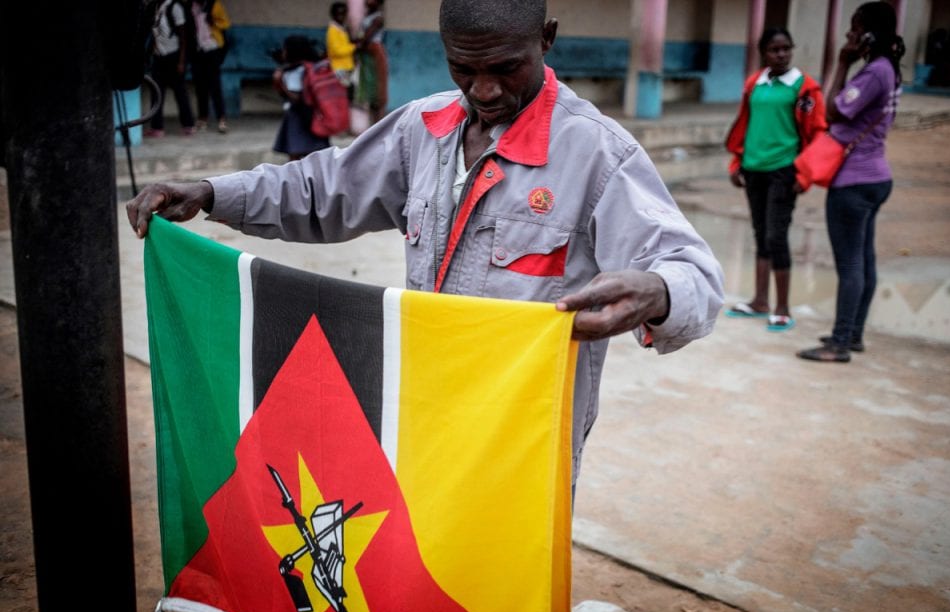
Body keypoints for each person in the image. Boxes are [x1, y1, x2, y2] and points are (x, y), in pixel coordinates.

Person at [126, 0, 725, 488]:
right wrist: (212, 191)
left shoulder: (598, 153)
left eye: (505, 69)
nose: (484, 91)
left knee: (502, 602)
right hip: (419, 409)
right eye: (463, 70)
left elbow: (693, 272)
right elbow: (319, 189)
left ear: (547, 38)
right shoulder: (423, 128)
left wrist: (659, 290)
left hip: (521, 439)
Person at [798, 1, 903, 362]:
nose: (849, 34)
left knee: (851, 265)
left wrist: (842, 61)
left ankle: (839, 343)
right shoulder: (888, 69)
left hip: (854, 181)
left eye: (855, 28)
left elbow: (832, 110)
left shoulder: (874, 72)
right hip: (875, 176)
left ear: (869, 34)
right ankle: (852, 334)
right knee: (864, 261)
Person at [724, 27, 826, 332]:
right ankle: (759, 301)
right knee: (759, 233)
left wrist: (805, 173)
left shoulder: (805, 88)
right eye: (774, 50)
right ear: (763, 53)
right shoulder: (755, 83)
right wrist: (736, 162)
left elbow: (817, 132)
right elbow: (746, 124)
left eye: (785, 49)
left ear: (792, 50)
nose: (781, 54)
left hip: (784, 169)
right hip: (753, 167)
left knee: (776, 235)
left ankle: (782, 307)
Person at [271, 35, 330, 161]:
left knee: (295, 155)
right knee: (316, 157)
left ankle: (296, 180)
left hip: (298, 117)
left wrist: (280, 84)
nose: (283, 52)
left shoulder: (294, 71)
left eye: (285, 49)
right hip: (314, 116)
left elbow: (297, 98)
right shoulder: (313, 67)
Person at [147, 0, 197, 137]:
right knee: (156, 92)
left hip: (174, 56)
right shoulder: (155, 7)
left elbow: (183, 37)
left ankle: (188, 125)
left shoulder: (174, 7)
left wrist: (181, 62)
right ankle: (157, 128)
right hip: (159, 57)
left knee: (180, 92)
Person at [190, 0, 232, 134]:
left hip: (212, 48)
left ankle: (221, 119)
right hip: (198, 50)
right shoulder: (191, 6)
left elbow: (225, 23)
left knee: (215, 87)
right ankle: (203, 119)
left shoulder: (214, 5)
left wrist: (213, 21)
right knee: (200, 87)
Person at [353, 0, 388, 125]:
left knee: (378, 91)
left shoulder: (378, 18)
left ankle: (380, 124)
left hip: (375, 54)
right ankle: (374, 125)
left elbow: (366, 38)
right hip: (367, 55)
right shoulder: (368, 16)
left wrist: (355, 43)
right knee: (370, 92)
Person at [326, 2, 356, 90]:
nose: (341, 17)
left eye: (343, 14)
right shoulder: (333, 31)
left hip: (346, 66)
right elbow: (337, 51)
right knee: (343, 92)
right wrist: (354, 47)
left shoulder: (342, 29)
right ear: (333, 15)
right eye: (338, 14)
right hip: (338, 67)